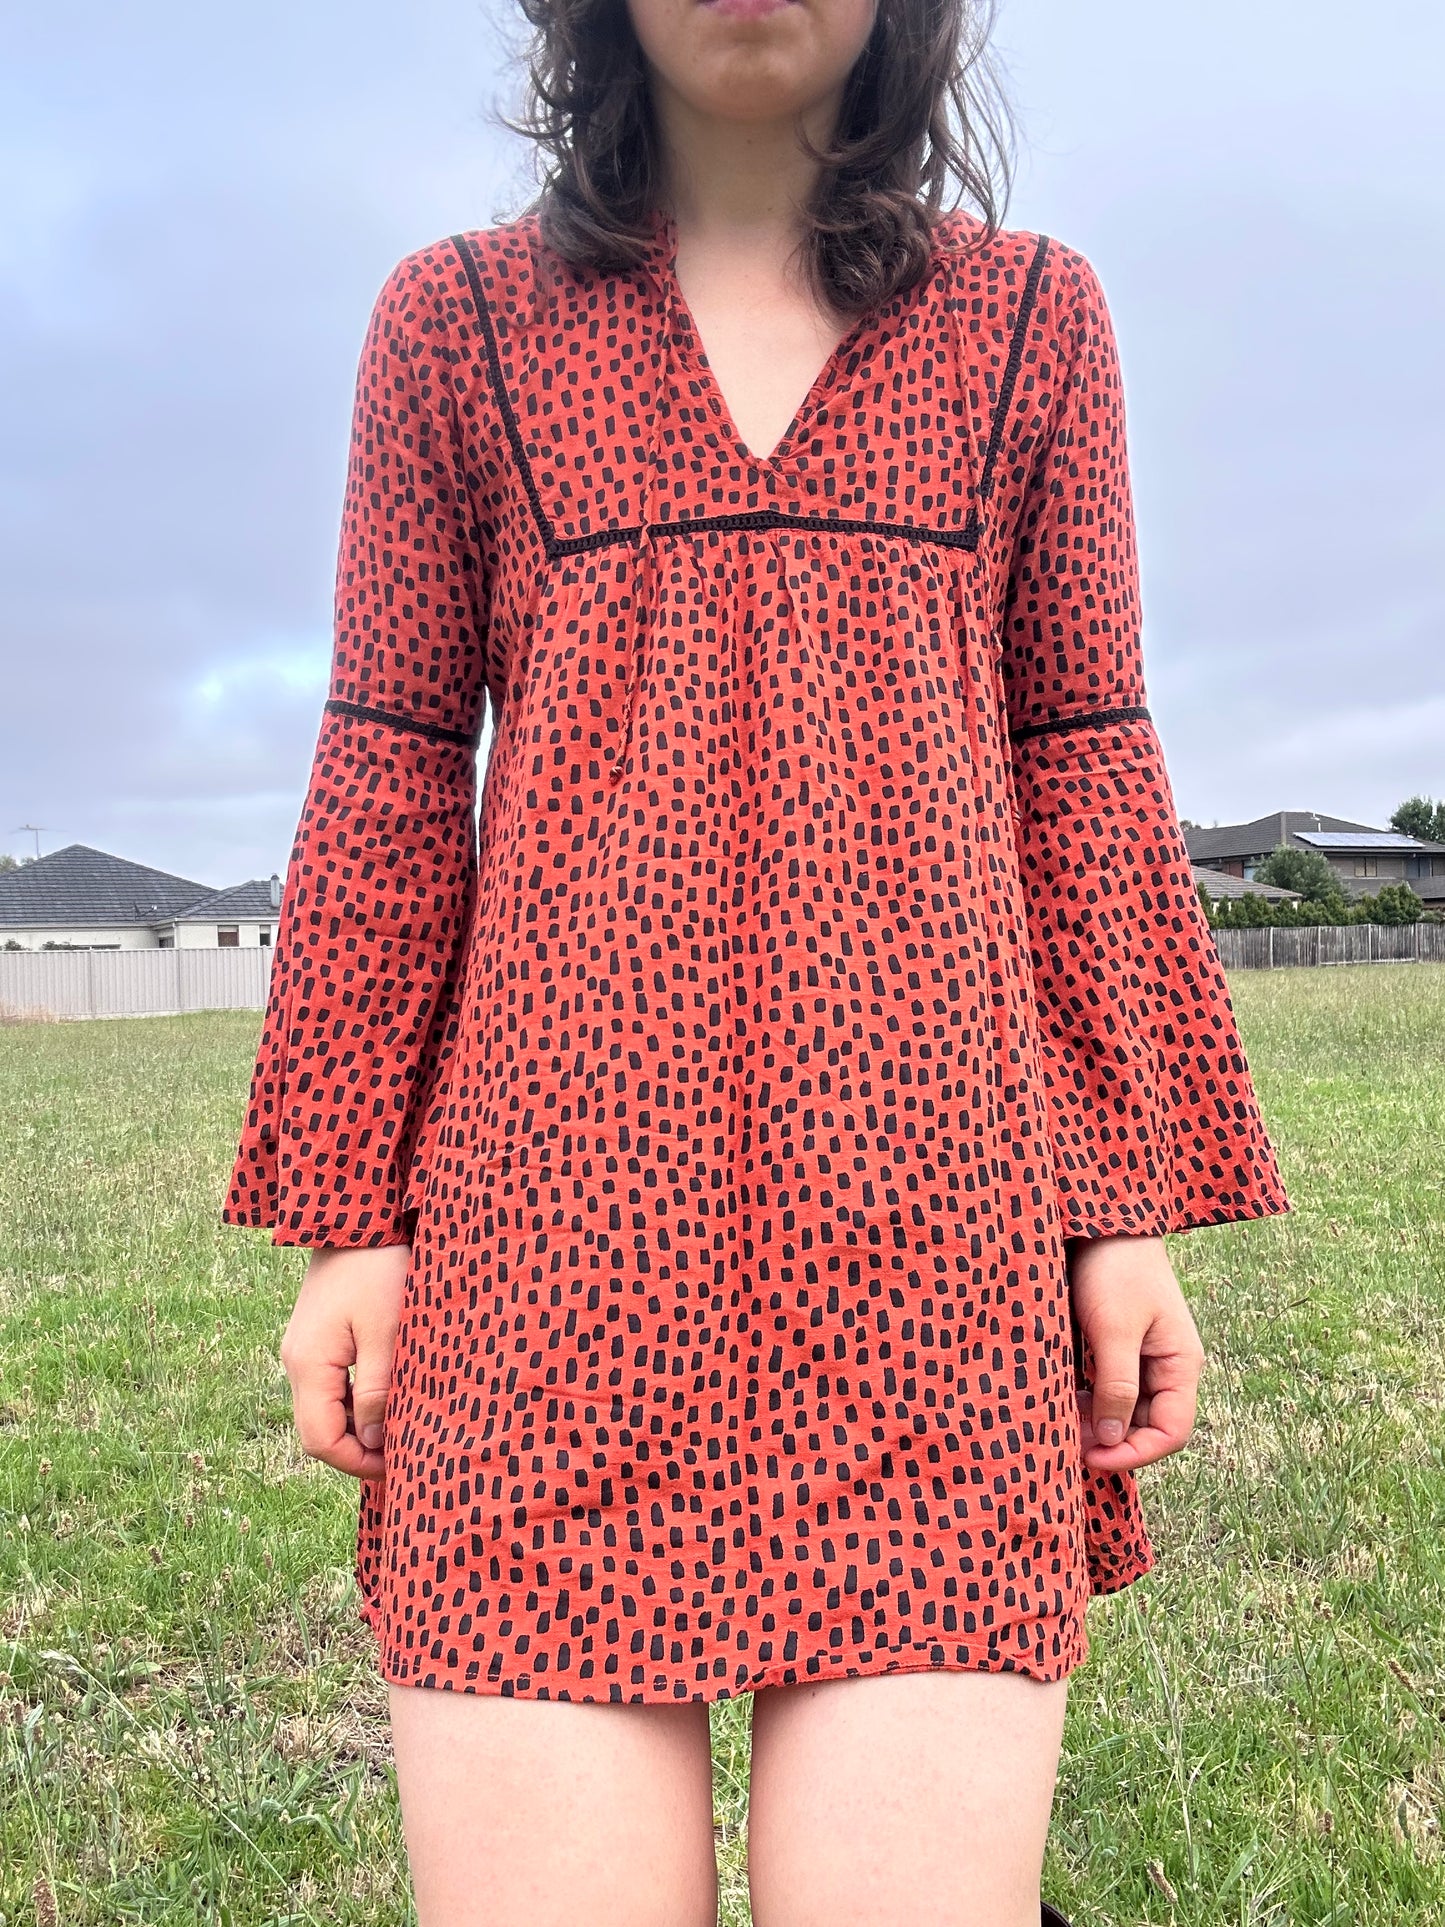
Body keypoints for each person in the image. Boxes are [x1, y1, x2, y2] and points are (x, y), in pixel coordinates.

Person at [221, 0, 1291, 1920]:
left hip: (934, 1276)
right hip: (542, 1283)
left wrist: (1117, 1200)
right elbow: (386, 774)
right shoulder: (449, 323)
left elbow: (1085, 762)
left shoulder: (1033, 321)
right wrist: (348, 1221)